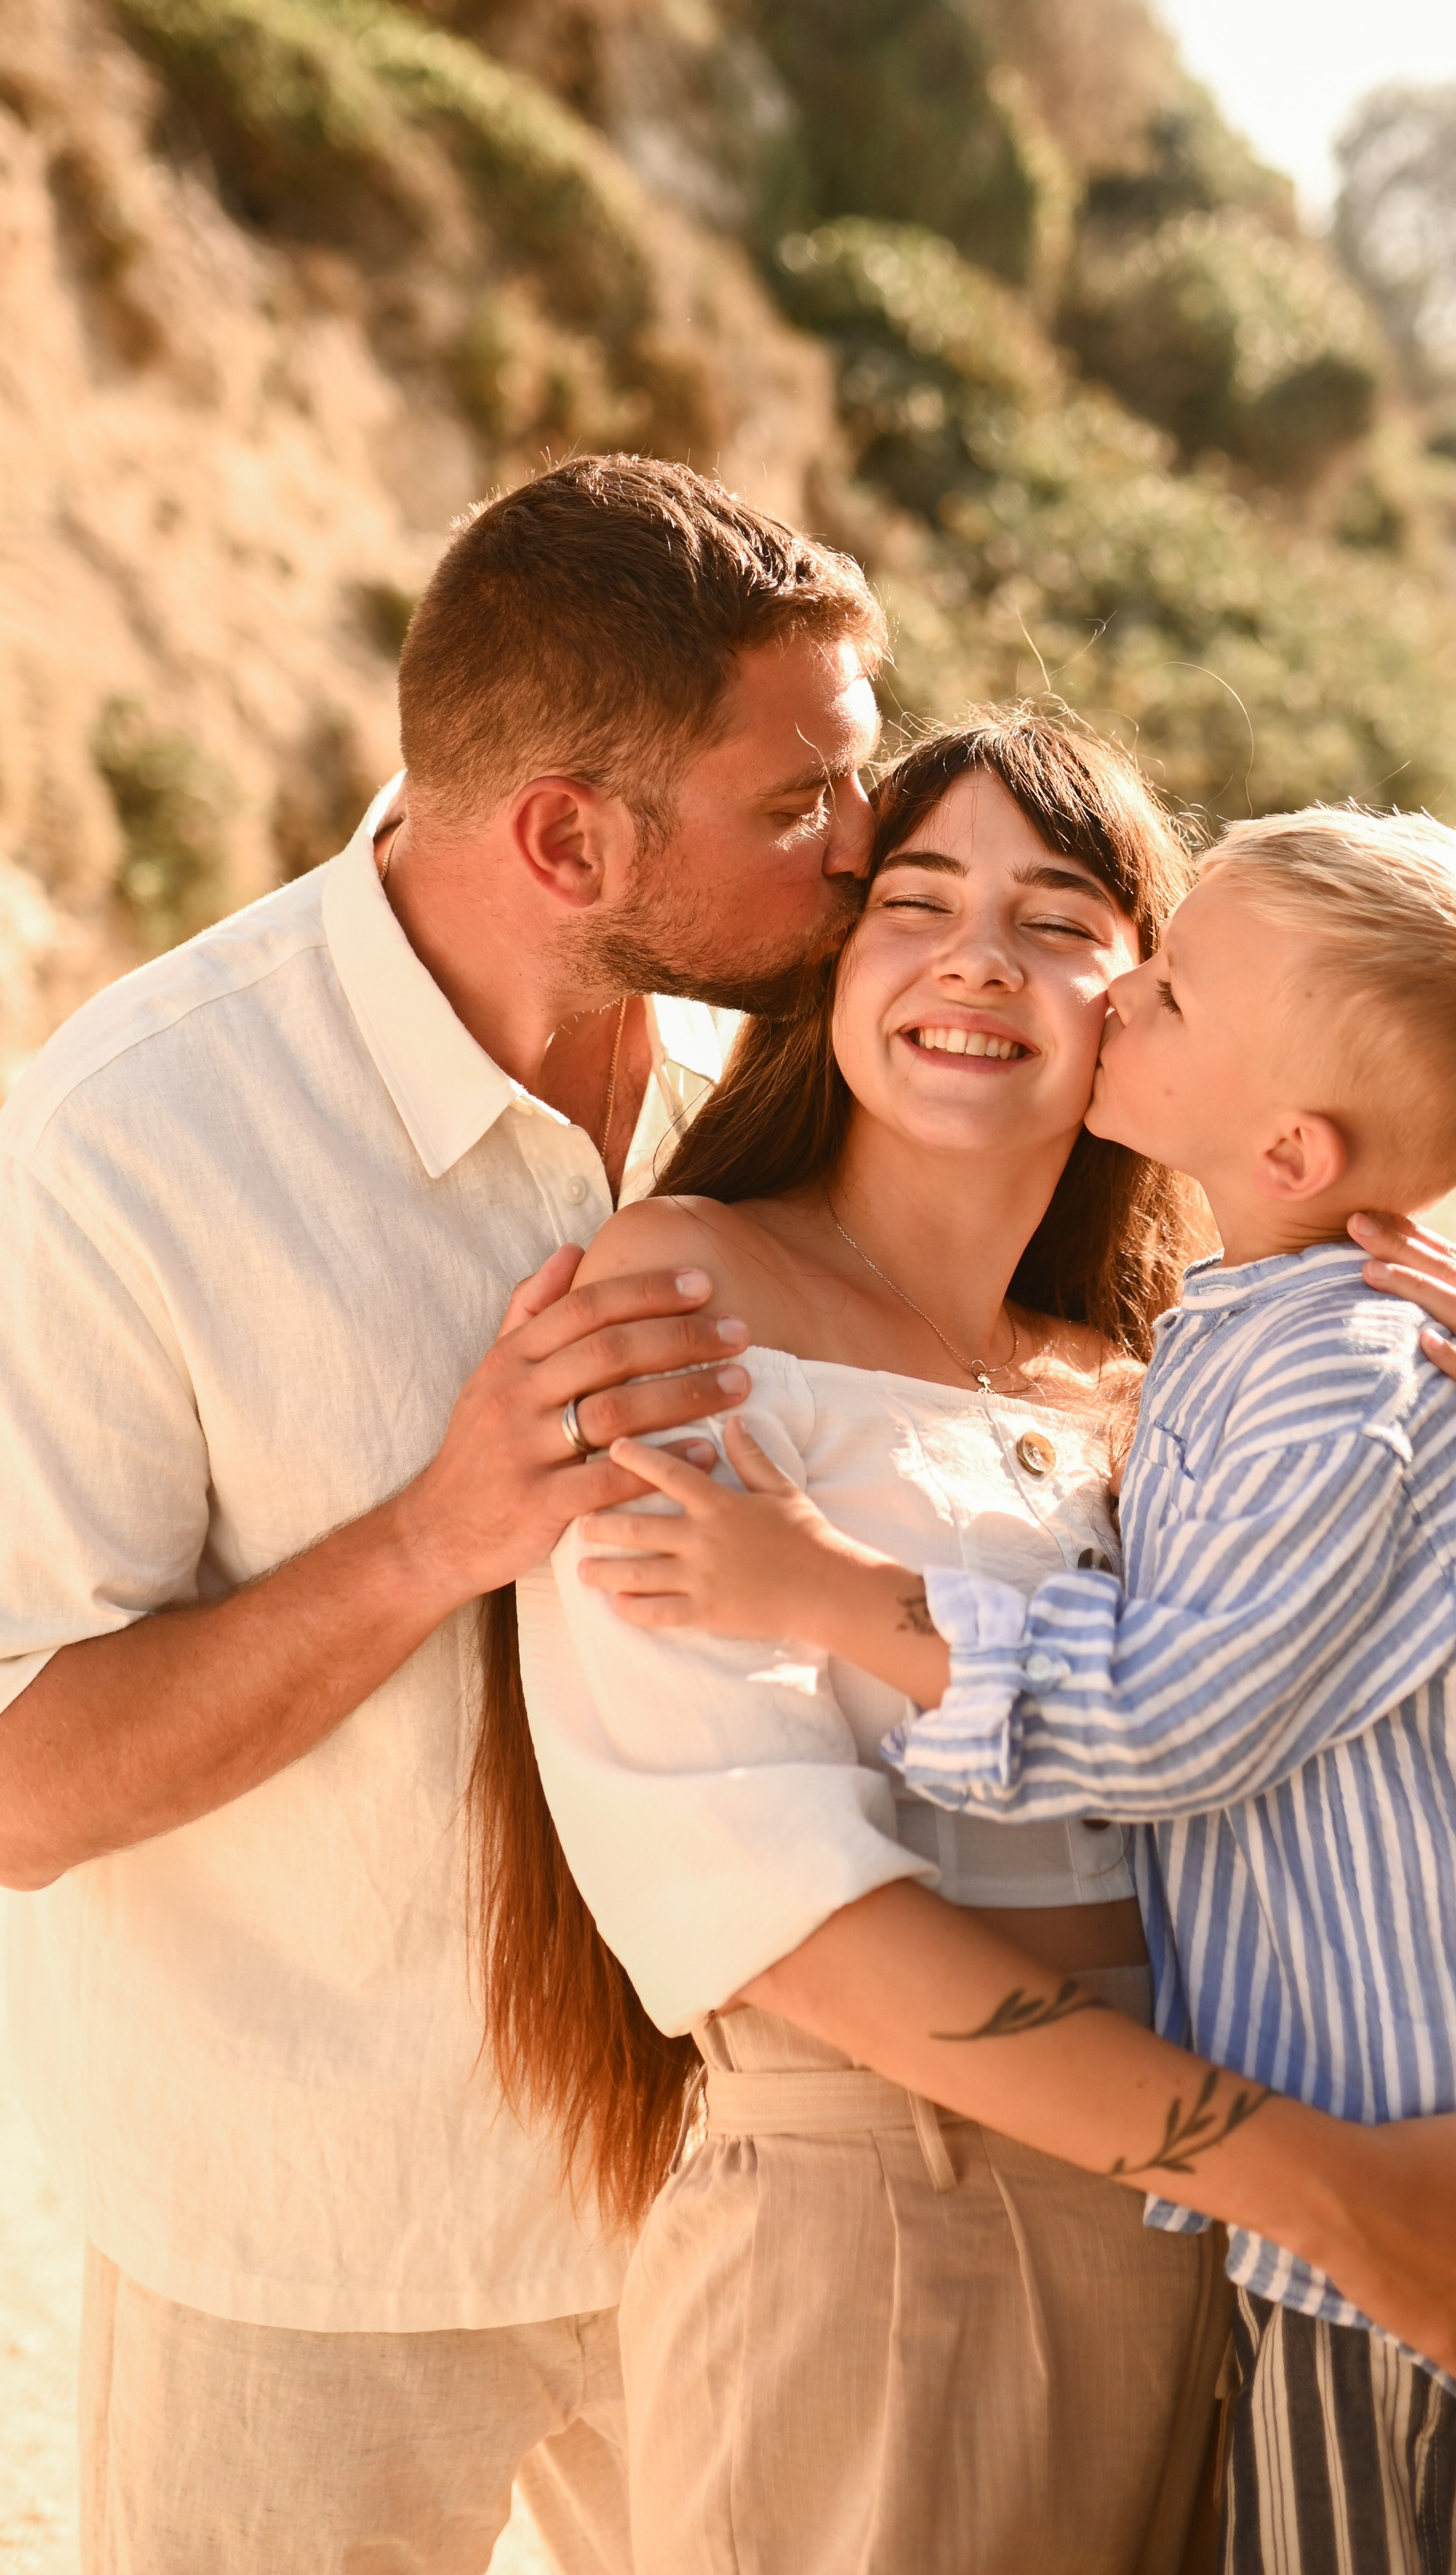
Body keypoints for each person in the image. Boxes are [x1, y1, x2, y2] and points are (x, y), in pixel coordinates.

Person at [510, 722, 1456, 2575]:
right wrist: (1334, 2192)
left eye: (1064, 922)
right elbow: (772, 1907)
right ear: (832, 970)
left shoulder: (1170, 1382)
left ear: (1157, 1006)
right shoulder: (675, 1299)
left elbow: (1305, 1764)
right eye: (911, 901)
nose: (976, 961)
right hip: (893, 2240)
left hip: (1210, 2275)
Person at [0, 456, 894, 2572]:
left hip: (741, 2200)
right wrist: (432, 1537)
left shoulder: (786, 1085)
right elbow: (23, 1780)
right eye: (799, 809)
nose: (869, 858)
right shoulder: (126, 1151)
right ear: (568, 838)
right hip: (308, 2249)